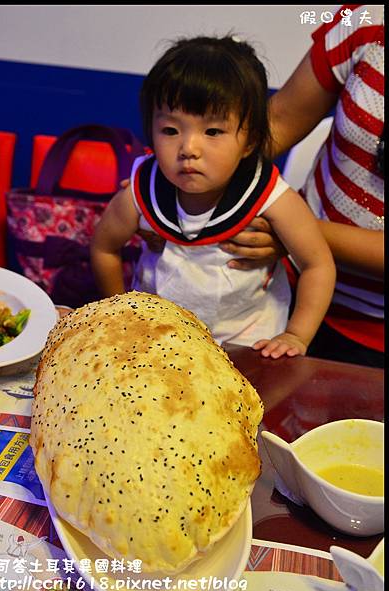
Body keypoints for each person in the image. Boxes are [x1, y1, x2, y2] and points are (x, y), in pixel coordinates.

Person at [91, 35, 335, 359]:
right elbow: (104, 247)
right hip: (159, 338)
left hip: (248, 344)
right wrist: (119, 313)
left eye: (213, 132)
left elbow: (318, 265)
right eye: (170, 131)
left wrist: (296, 334)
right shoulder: (141, 190)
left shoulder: (268, 196)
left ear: (250, 142)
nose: (188, 149)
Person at [219, 5, 384, 367]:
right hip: (292, 288)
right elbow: (277, 122)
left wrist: (294, 232)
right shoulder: (367, 18)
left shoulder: (291, 231)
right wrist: (171, 187)